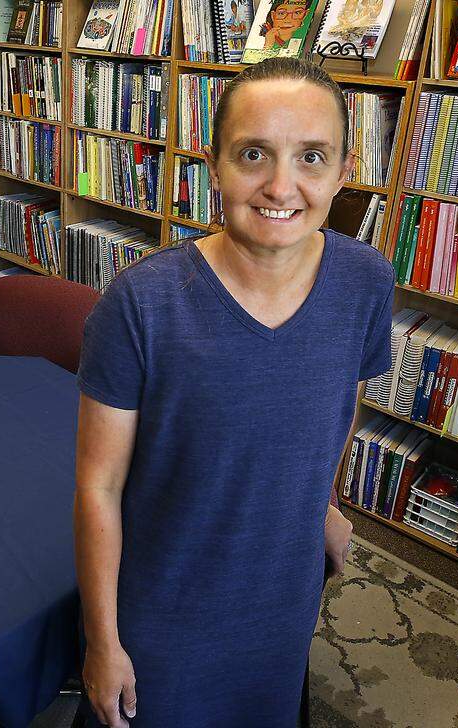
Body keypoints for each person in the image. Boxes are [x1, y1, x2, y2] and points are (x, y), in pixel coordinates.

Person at [73, 57, 394, 728]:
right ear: (212, 164)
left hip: (282, 595)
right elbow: (98, 487)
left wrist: (326, 505)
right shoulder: (143, 303)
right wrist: (103, 643)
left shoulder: (365, 281)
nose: (283, 185)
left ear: (344, 169)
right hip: (166, 607)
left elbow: (337, 405)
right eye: (254, 154)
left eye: (312, 157)